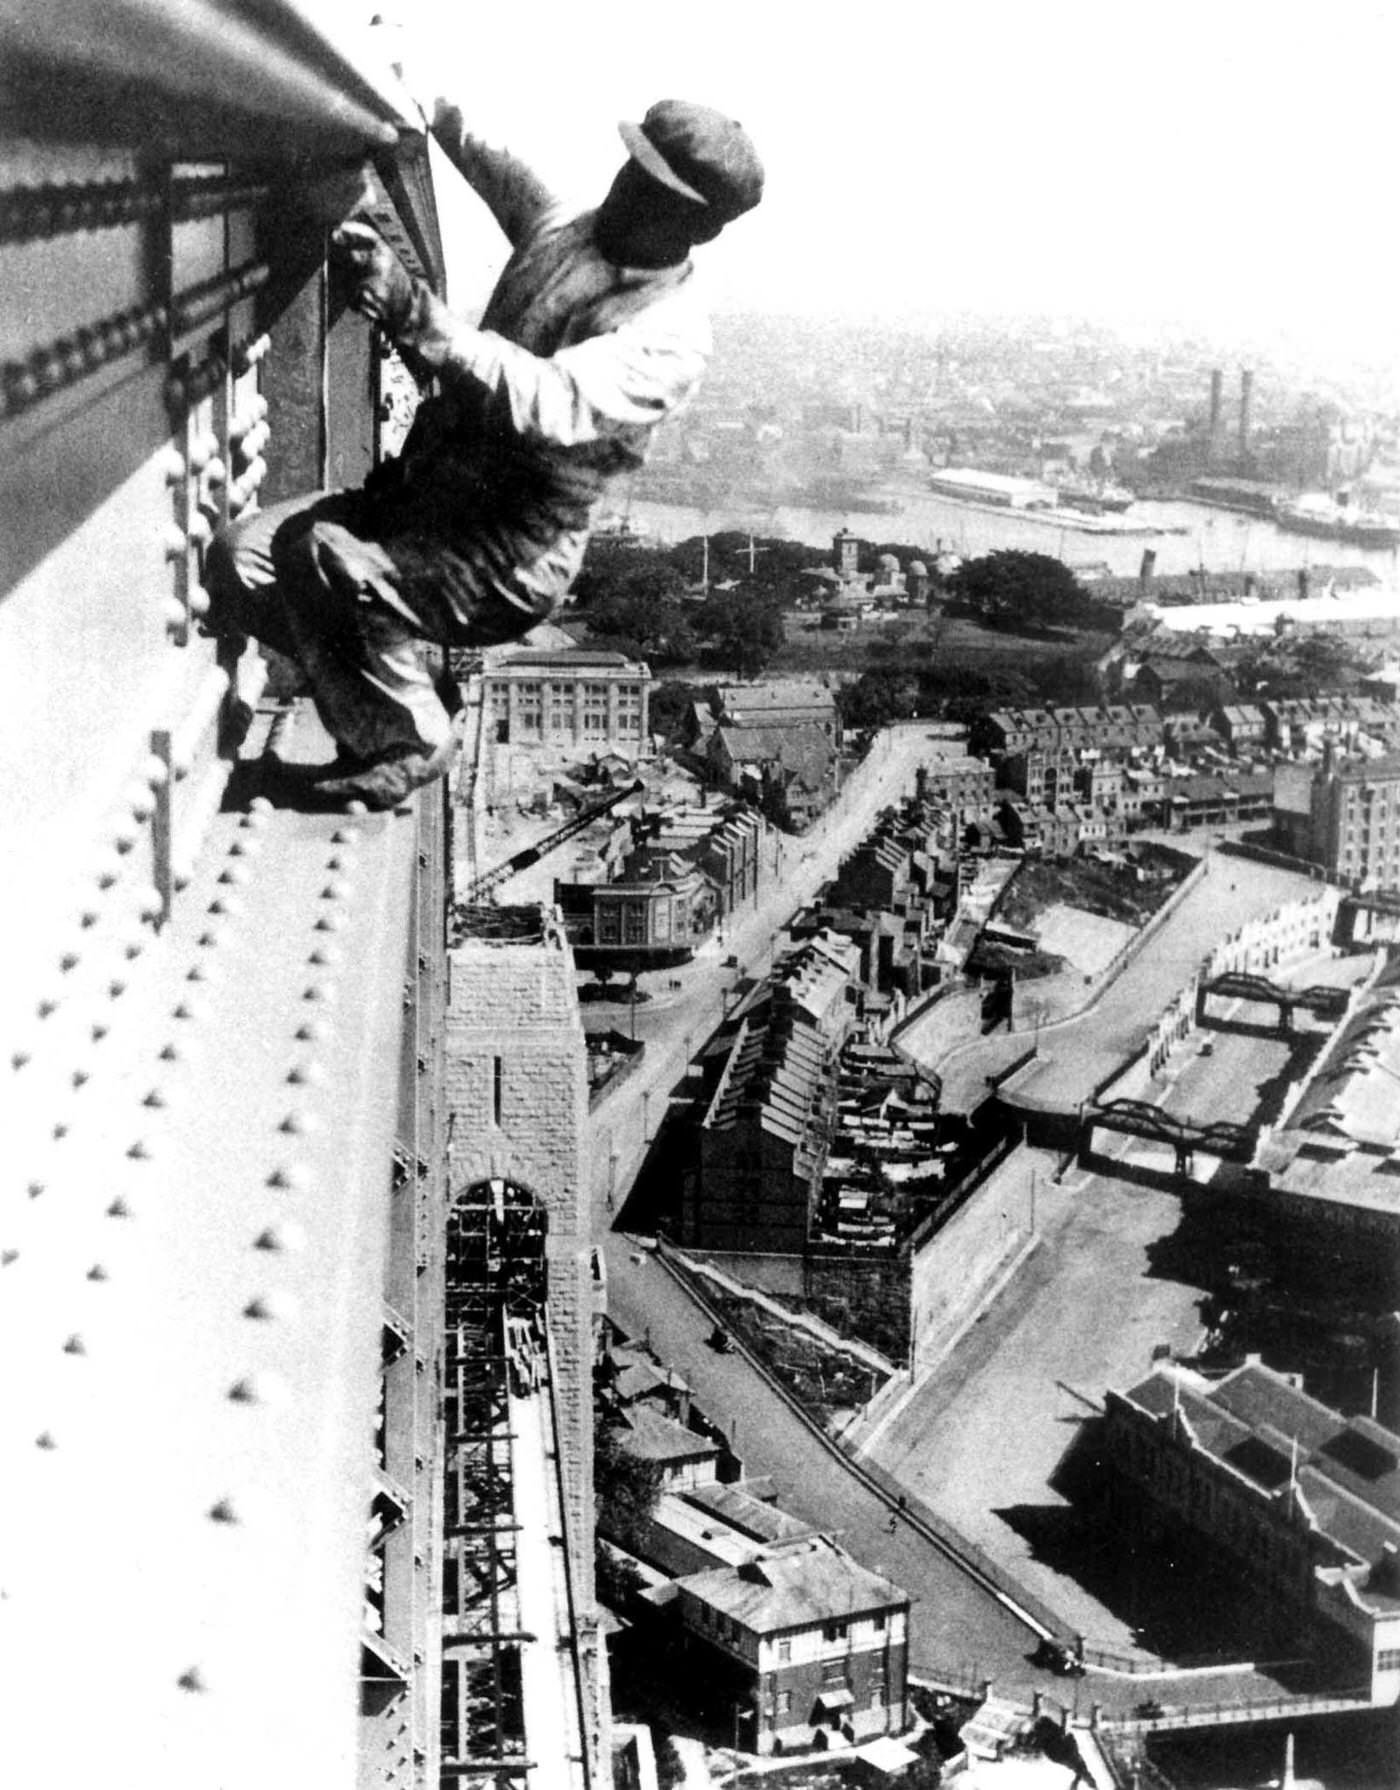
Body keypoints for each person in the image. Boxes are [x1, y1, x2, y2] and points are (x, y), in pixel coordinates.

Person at [206, 96, 763, 809]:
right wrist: (423, 95)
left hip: (504, 553)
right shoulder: (566, 229)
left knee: (322, 554)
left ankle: (407, 741)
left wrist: (413, 312)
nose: (625, 190)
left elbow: (544, 399)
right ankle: (400, 669)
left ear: (698, 228)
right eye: (632, 170)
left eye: (652, 190)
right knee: (239, 563)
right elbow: (487, 152)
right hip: (419, 500)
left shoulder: (672, 335)